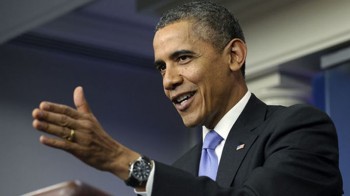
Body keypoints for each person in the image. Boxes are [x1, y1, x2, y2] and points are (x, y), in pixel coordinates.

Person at [32, 1, 343, 195]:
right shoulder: (180, 168)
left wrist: (121, 160)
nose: (169, 80)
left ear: (233, 56)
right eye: (161, 67)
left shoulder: (299, 129)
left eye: (182, 58)